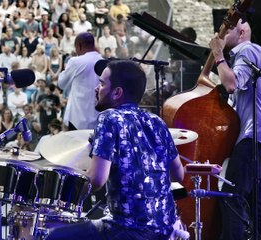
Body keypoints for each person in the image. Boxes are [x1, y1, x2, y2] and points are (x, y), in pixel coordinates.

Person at [47, 60, 184, 239]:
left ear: (117, 92)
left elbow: (96, 180)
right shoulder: (157, 122)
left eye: (102, 83)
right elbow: (178, 175)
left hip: (125, 229)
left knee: (55, 236)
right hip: (164, 230)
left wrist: (63, 198)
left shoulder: (109, 118)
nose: (97, 88)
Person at [208, 19, 261, 240]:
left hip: (253, 138)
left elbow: (231, 83)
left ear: (240, 32)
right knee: (255, 201)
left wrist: (218, 55)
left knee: (231, 197)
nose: (221, 31)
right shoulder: (246, 54)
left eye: (226, 27)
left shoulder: (247, 49)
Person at [58, 32, 102, 130]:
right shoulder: (102, 61)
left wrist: (65, 70)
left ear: (80, 46)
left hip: (77, 118)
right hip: (96, 119)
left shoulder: (75, 61)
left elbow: (61, 83)